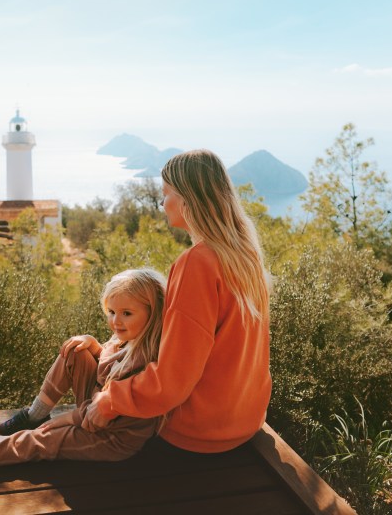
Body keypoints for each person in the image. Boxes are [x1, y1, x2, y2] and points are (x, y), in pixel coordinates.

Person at [82, 149, 271, 454]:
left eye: (166, 193)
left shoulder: (198, 263)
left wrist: (110, 400)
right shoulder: (244, 255)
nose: (162, 202)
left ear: (187, 199)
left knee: (84, 376)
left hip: (198, 432)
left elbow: (173, 380)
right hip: (244, 422)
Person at [0, 268, 166, 466]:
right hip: (97, 411)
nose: (115, 321)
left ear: (152, 313)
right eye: (111, 311)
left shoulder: (140, 363)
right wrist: (95, 346)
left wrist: (61, 422)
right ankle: (35, 414)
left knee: (45, 439)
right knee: (75, 352)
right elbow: (107, 371)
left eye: (126, 314)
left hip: (110, 437)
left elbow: (94, 418)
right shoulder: (129, 339)